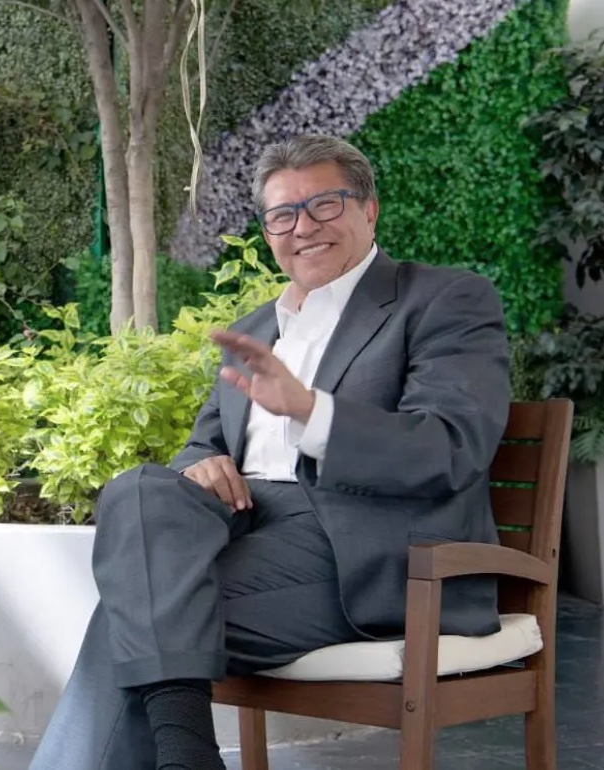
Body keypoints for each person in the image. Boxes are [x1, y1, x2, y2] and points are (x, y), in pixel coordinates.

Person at [27, 134, 511, 770]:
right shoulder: (254, 330)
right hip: (245, 523)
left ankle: (186, 755)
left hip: (368, 552)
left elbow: (451, 445)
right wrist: (200, 465)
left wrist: (311, 410)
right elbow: (204, 443)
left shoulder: (443, 299)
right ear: (268, 232)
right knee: (139, 487)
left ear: (369, 210)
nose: (303, 227)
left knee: (135, 620)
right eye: (283, 215)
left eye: (325, 204)